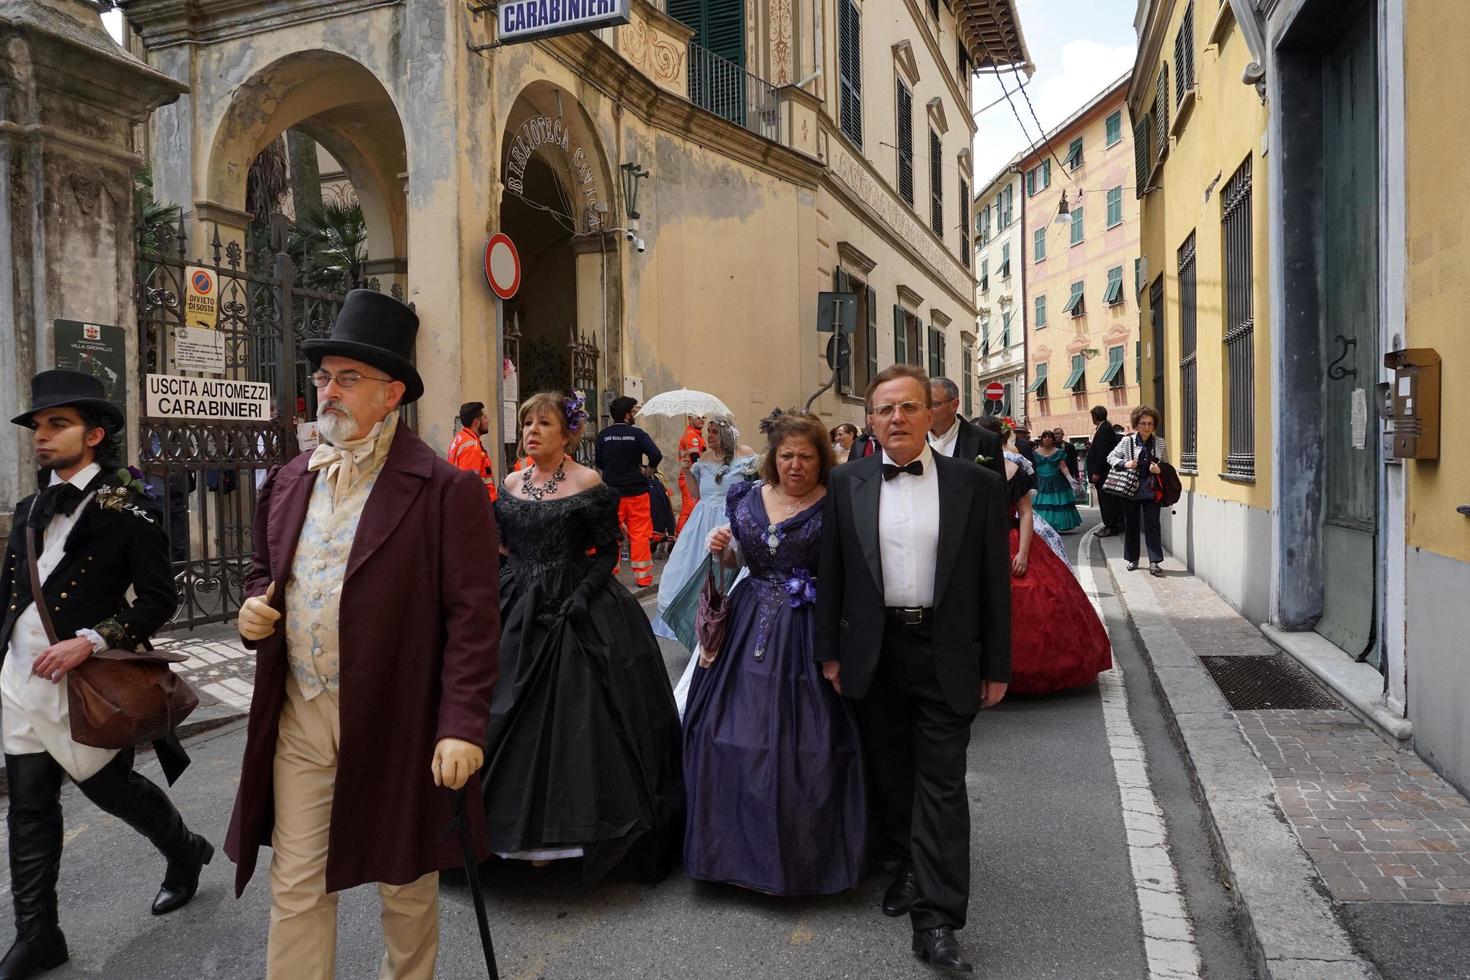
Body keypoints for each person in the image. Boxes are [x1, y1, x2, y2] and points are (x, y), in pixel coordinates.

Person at [228, 291, 500, 980]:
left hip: (400, 720)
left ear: (392, 393)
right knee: (296, 883)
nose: (329, 391)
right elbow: (267, 572)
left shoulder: (444, 491)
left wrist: (462, 724)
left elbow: (473, 619)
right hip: (304, 712)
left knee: (404, 885)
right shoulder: (291, 479)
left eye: (347, 378)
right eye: (324, 377)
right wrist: (253, 610)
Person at [0, 371, 208, 980]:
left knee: (108, 790)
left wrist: (90, 641)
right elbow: (12, 594)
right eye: (38, 425)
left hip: (83, 684)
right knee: (30, 806)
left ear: (94, 434)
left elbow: (157, 600)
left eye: (55, 424)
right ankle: (39, 935)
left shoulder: (128, 502)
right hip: (18, 680)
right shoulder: (28, 507)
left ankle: (186, 852)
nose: (41, 435)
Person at [816, 365, 1011, 973]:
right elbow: (833, 577)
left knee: (943, 783)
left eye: (907, 407)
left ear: (933, 414)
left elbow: (993, 584)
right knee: (893, 772)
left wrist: (998, 664)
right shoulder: (845, 482)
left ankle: (938, 918)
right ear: (870, 421)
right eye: (884, 410)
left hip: (946, 651)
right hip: (873, 652)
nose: (895, 418)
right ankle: (903, 864)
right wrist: (830, 654)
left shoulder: (974, 485)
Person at [482, 392, 684, 878]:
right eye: (527, 422)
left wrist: (581, 595)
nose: (531, 431)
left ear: (567, 433)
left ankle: (576, 835)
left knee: (579, 714)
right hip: (516, 605)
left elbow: (605, 549)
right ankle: (498, 834)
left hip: (578, 604)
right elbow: (502, 545)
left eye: (543, 424)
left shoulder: (587, 481)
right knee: (501, 704)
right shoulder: (511, 482)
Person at [683, 411, 867, 895]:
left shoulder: (837, 503)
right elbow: (737, 559)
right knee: (723, 732)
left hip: (808, 629)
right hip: (747, 622)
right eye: (787, 455)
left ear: (821, 460)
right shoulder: (747, 497)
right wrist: (721, 546)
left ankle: (800, 858)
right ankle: (727, 852)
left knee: (804, 744)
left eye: (806, 456)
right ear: (773, 458)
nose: (796, 465)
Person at [977, 420, 1111, 694]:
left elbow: (1025, 512)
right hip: (977, 543)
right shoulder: (967, 465)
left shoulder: (1014, 469)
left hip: (1011, 540)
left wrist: (1024, 554)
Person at [653, 416, 756, 646]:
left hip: (732, 521)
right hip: (702, 525)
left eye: (714, 432)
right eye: (708, 431)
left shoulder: (745, 453)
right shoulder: (704, 459)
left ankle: (730, 628)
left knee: (728, 577)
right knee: (690, 574)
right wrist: (688, 471)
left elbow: (756, 484)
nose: (708, 436)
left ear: (727, 433)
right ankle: (700, 625)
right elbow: (696, 494)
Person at [975, 416, 1068, 565]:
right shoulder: (964, 464)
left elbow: (1025, 512)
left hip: (1007, 538)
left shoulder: (1013, 463)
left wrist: (1023, 554)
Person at [595, 396, 662, 588]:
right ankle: (643, 577)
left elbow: (599, 463)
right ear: (626, 415)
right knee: (640, 534)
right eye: (633, 412)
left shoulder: (604, 435)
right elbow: (656, 454)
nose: (634, 415)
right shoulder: (638, 434)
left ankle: (611, 575)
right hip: (637, 493)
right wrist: (649, 470)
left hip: (612, 494)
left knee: (612, 533)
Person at [1107, 405, 1169, 577]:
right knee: (1131, 525)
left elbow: (1166, 465)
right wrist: (1126, 464)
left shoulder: (1160, 443)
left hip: (1151, 490)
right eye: (1143, 423)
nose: (1147, 427)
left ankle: (1154, 562)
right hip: (1130, 490)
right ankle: (1133, 559)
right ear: (1136, 424)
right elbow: (1110, 457)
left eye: (1150, 423)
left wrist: (1160, 469)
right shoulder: (1127, 441)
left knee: (1153, 525)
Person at [926, 378, 1006, 479]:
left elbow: (998, 490)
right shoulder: (912, 439)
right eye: (922, 404)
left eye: (933, 404)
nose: (926, 410)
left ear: (954, 405)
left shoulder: (987, 441)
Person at [447, 400, 498, 502]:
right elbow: (469, 486)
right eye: (485, 417)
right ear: (476, 422)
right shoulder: (471, 446)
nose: (488, 420)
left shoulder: (460, 438)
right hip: (479, 505)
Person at [1030, 430, 1081, 533]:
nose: (1047, 439)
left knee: (1057, 503)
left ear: (1053, 440)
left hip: (1056, 481)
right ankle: (1041, 526)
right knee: (1041, 503)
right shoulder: (1035, 452)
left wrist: (1070, 479)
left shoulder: (1059, 452)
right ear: (1042, 439)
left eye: (1050, 437)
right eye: (1045, 437)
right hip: (1040, 481)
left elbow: (1063, 467)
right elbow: (1031, 468)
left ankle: (1056, 525)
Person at [1086, 406, 1124, 536]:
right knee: (1108, 500)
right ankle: (1112, 524)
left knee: (1106, 501)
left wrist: (1096, 472)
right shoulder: (1105, 428)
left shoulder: (1104, 430)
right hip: (1104, 472)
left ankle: (1110, 526)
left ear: (1094, 417)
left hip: (1103, 473)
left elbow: (1101, 452)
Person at [675, 415, 706, 535]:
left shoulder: (697, 435)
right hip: (689, 476)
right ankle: (680, 537)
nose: (702, 419)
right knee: (688, 510)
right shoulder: (692, 435)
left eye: (703, 417)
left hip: (692, 476)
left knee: (691, 509)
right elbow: (696, 458)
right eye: (698, 417)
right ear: (690, 419)